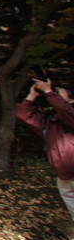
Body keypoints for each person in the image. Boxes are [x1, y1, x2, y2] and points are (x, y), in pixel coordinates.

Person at [17, 78, 74, 220]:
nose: (52, 94)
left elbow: (64, 109)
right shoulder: (50, 121)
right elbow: (24, 115)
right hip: (64, 177)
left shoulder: (71, 115)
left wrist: (48, 91)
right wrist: (32, 95)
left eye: (58, 93)